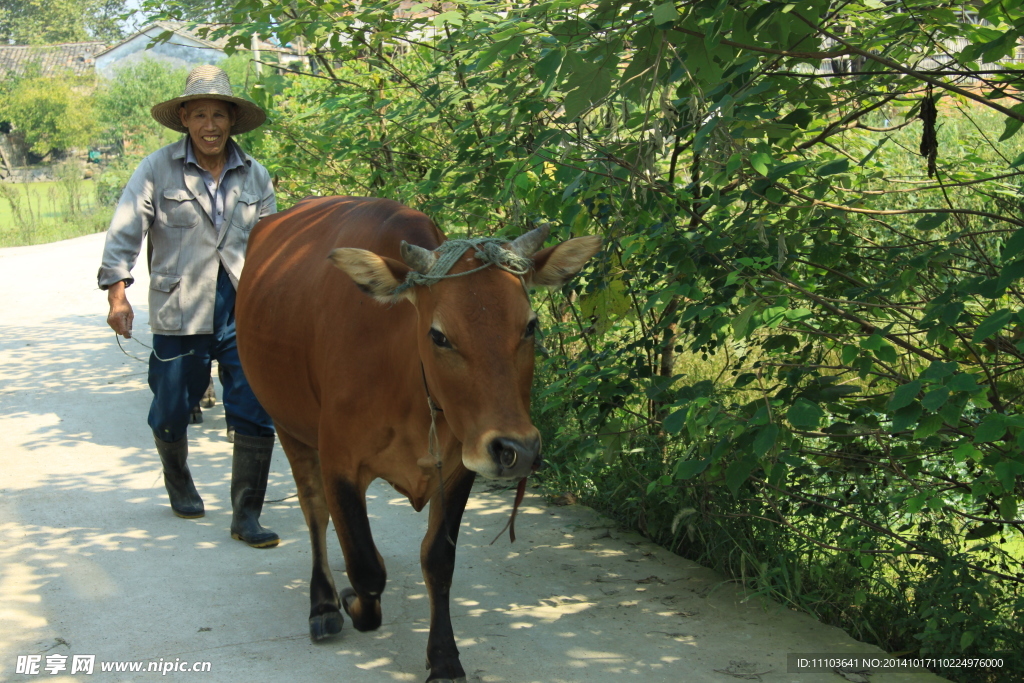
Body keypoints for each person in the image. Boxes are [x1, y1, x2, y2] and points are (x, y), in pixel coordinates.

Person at [98, 65, 279, 548]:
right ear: (184, 117)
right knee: (171, 407)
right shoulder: (157, 169)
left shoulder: (255, 174)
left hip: (244, 309)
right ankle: (178, 478)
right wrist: (117, 291)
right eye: (200, 114)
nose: (210, 125)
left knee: (254, 409)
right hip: (181, 307)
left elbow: (274, 244)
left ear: (232, 120)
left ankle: (247, 515)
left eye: (219, 114)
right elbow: (125, 229)